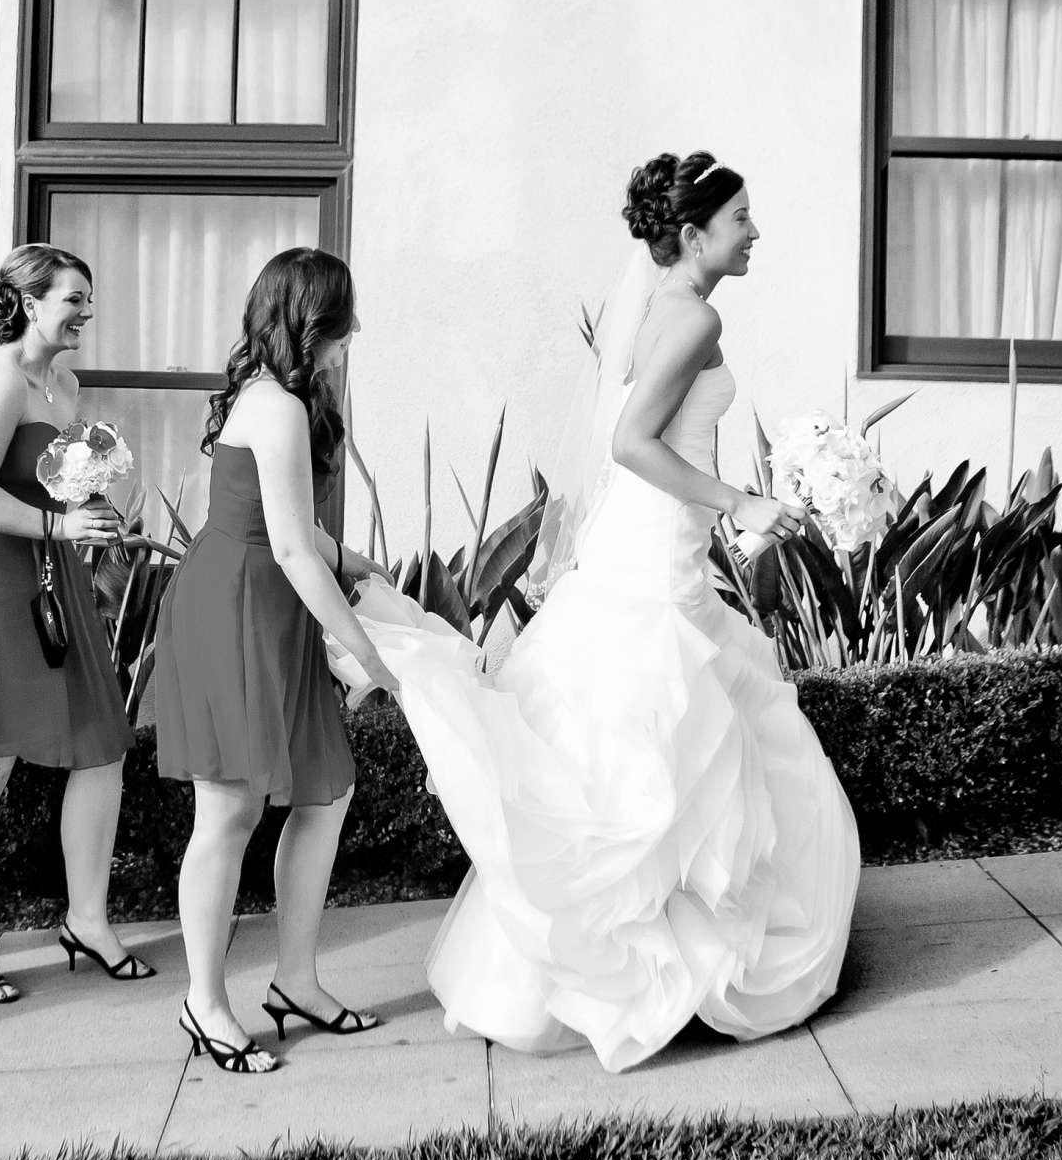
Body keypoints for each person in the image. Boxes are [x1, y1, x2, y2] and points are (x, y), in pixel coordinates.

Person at [363, 153, 860, 1072]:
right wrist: (738, 501)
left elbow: (633, 430)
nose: (755, 232)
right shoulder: (695, 314)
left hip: (649, 549)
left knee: (648, 759)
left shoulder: (656, 313)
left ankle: (596, 970)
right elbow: (632, 444)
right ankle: (664, 977)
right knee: (665, 759)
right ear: (696, 232)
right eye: (742, 217)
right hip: (654, 559)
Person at [149, 248, 397, 1074]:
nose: (352, 334)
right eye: (342, 319)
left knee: (327, 788)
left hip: (261, 598)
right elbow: (288, 546)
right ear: (311, 321)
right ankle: (205, 1002)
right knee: (227, 811)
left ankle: (295, 979)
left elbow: (284, 523)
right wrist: (364, 651)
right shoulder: (277, 405)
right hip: (236, 610)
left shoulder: (276, 397)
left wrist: (355, 561)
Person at [0, 243, 147, 1003]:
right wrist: (58, 530)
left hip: (50, 577)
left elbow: (52, 486)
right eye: (73, 299)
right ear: (29, 302)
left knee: (101, 747)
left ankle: (88, 918)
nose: (85, 311)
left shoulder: (65, 382)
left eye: (88, 298)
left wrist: (87, 513)